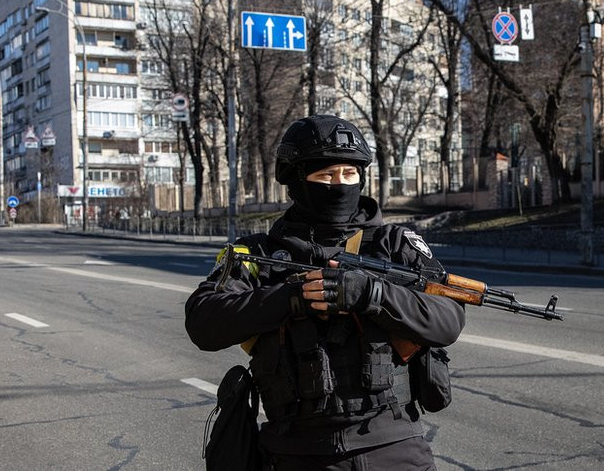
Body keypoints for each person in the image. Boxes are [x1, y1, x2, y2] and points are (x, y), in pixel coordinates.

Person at [185, 115, 465, 470]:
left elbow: (449, 319)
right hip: (295, 452)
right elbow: (202, 322)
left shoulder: (394, 245)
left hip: (393, 448)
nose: (340, 185)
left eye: (349, 175)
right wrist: (292, 296)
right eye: (325, 176)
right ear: (296, 180)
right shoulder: (258, 253)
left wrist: (373, 294)